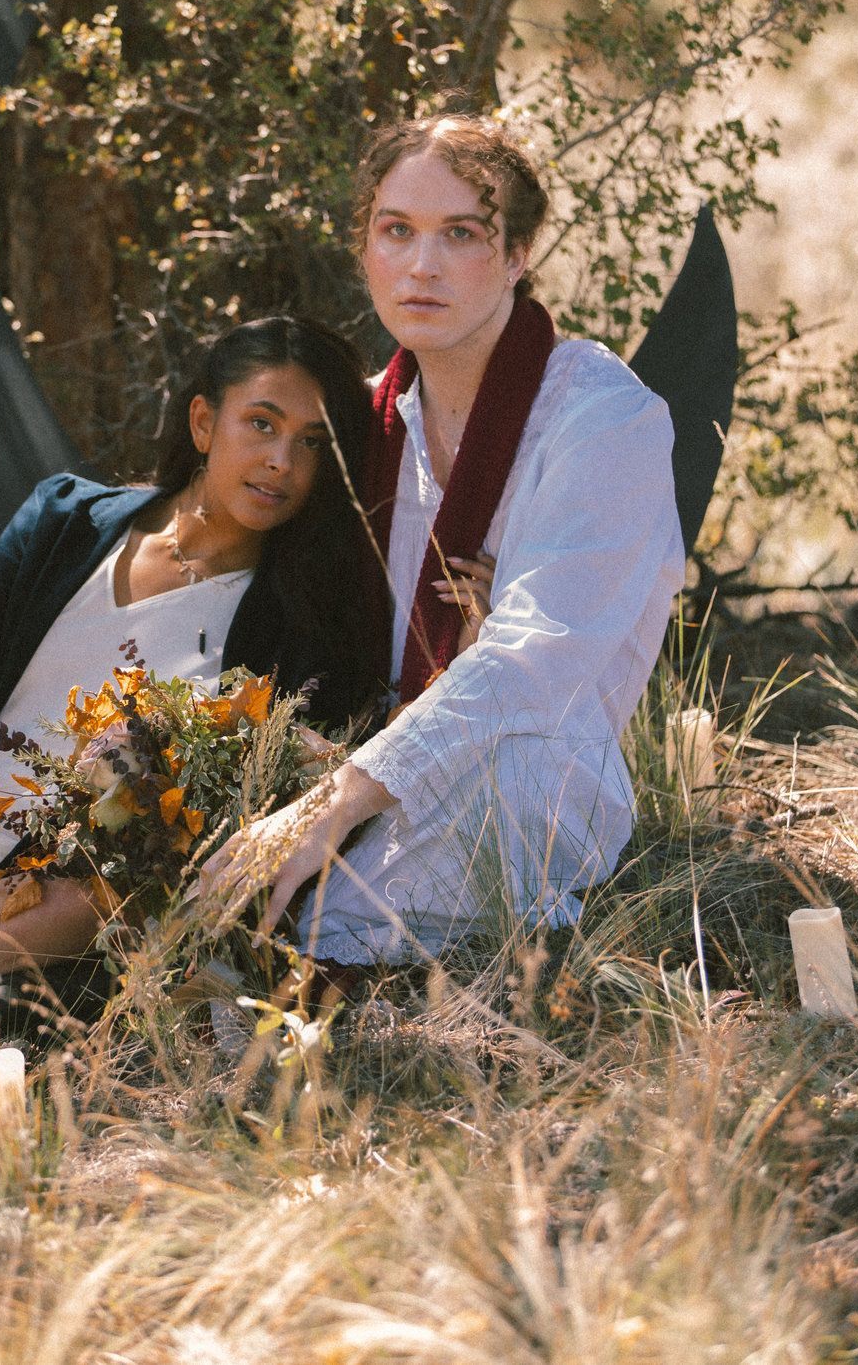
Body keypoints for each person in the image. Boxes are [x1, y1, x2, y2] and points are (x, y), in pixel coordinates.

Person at [0, 316, 379, 1033]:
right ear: (201, 421)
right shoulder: (64, 520)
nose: (283, 460)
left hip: (35, 911)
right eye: (261, 423)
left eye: (311, 442)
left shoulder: (299, 626)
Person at [201, 113, 687, 965]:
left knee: (296, 912)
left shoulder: (601, 418)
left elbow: (533, 657)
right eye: (397, 231)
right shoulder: (359, 422)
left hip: (523, 776)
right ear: (365, 249)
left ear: (517, 253)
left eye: (460, 234)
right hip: (358, 753)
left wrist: (332, 805)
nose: (420, 266)